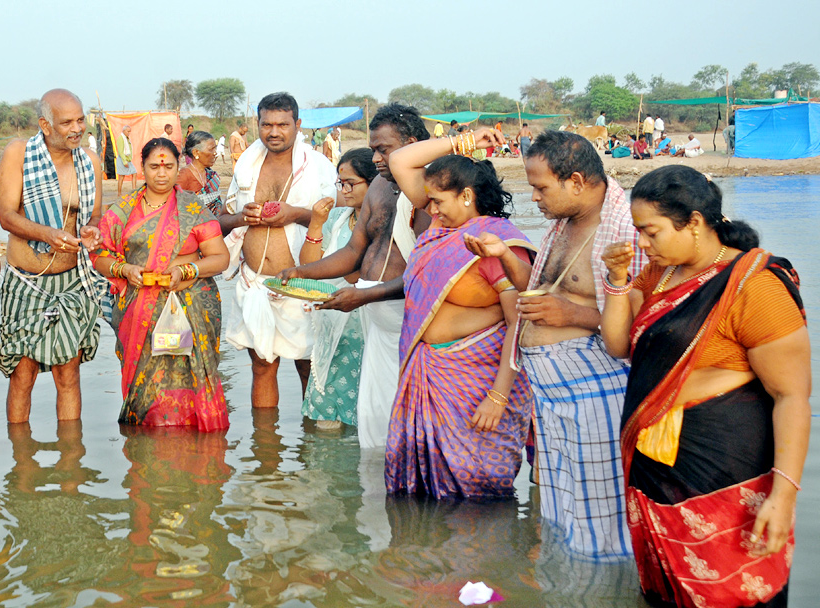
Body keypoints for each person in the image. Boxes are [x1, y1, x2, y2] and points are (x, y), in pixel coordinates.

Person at [600, 165, 808, 607]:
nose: (641, 243)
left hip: (723, 471)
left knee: (734, 591)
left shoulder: (755, 286)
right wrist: (617, 283)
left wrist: (784, 494)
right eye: (639, 232)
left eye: (650, 231)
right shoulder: (660, 275)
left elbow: (792, 396)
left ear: (694, 222)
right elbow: (619, 344)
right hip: (655, 468)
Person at [468, 130, 646, 558]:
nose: (534, 198)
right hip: (551, 393)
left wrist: (574, 316)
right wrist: (504, 256)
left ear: (578, 182)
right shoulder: (564, 224)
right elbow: (540, 290)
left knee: (602, 521)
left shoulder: (626, 230)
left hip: (596, 391)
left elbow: (647, 323)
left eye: (541, 187)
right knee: (561, 511)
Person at [385, 133, 536, 499]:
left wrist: (498, 397)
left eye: (437, 201)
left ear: (466, 196)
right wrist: (464, 139)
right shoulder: (441, 230)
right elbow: (400, 160)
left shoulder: (497, 242)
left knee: (478, 494)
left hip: (477, 386)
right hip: (428, 376)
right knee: (422, 500)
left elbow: (520, 322)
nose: (429, 210)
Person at [276, 103, 433, 448]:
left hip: (413, 326)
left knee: (409, 426)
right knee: (374, 427)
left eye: (383, 149)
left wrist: (364, 295)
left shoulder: (430, 191)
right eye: (374, 149)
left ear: (411, 143)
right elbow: (353, 253)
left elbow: (428, 276)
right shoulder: (379, 186)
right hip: (375, 323)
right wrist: (302, 272)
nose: (376, 158)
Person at [93, 138, 229, 430]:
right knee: (147, 385)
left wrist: (188, 270)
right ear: (142, 168)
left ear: (178, 167)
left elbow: (220, 258)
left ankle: (195, 445)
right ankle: (149, 439)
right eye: (154, 166)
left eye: (169, 166)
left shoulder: (192, 208)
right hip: (140, 312)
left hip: (191, 307)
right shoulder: (123, 211)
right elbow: (100, 256)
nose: (162, 173)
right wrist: (124, 268)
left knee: (192, 374)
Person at [218, 92, 338, 409]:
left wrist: (294, 214)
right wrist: (244, 217)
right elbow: (223, 219)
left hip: (303, 285)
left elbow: (337, 221)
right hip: (254, 282)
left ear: (297, 125)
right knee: (261, 368)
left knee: (308, 368)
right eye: (266, 124)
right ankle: (265, 453)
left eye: (282, 124)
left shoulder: (319, 166)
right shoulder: (247, 163)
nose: (274, 132)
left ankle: (314, 452)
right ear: (257, 124)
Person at [0, 89, 106, 424]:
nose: (77, 128)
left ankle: (71, 468)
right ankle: (23, 469)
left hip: (74, 281)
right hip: (26, 281)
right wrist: (48, 234)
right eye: (67, 122)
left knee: (68, 375)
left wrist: (91, 231)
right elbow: (6, 216)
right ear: (45, 124)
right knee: (23, 374)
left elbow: (96, 215)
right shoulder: (19, 154)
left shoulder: (90, 161)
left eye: (81, 120)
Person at [298, 148, 374, 431]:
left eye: (351, 183)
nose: (344, 190)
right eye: (340, 183)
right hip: (332, 327)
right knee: (326, 418)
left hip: (367, 326)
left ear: (375, 182)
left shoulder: (386, 221)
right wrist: (316, 222)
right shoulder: (338, 218)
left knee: (367, 414)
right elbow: (310, 264)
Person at [177, 130, 222, 215]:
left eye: (215, 148)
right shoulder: (184, 175)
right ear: (196, 152)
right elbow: (176, 207)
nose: (215, 153)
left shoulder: (210, 175)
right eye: (211, 149)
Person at [114, 124, 136, 196]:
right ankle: (119, 193)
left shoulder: (127, 138)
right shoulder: (121, 138)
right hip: (123, 160)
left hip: (128, 159)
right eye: (128, 131)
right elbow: (120, 151)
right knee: (122, 176)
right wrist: (124, 161)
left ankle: (134, 190)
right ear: (123, 131)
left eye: (130, 132)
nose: (129, 133)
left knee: (134, 172)